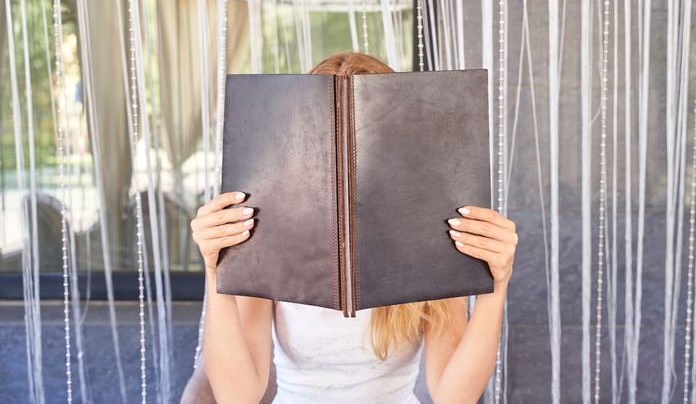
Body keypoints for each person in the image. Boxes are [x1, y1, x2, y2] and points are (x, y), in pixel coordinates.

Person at [188, 52, 517, 404]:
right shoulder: (272, 238)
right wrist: (215, 268)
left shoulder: (427, 241)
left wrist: (495, 286)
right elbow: (236, 397)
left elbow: (456, 397)